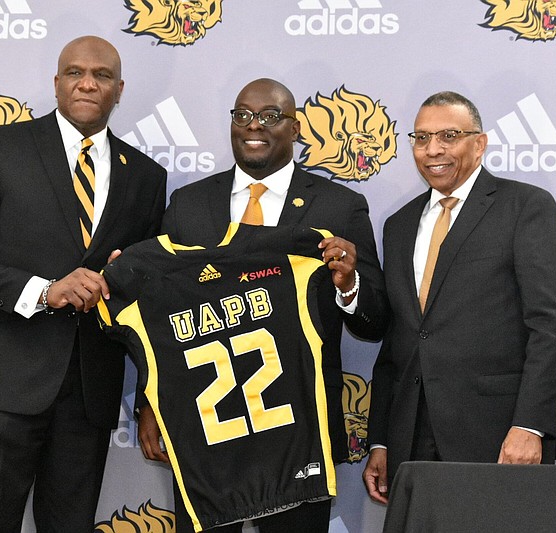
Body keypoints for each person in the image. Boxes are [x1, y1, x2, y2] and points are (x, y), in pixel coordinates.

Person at [0, 36, 166, 532]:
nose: (88, 83)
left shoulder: (146, 177)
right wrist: (44, 289)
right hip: (4, 383)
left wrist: (126, 281)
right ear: (56, 83)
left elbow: (147, 301)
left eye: (102, 75)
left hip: (90, 390)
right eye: (75, 72)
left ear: (119, 89)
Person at [136, 77, 389, 532]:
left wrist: (349, 284)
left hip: (301, 433)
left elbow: (374, 323)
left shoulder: (339, 205)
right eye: (242, 115)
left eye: (271, 116)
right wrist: (152, 405)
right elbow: (159, 314)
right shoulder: (188, 205)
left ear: (295, 129)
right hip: (205, 430)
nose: (254, 125)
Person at [363, 91, 556, 504]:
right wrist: (382, 441)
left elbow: (549, 326)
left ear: (479, 143)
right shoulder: (399, 225)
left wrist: (530, 426)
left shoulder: (525, 207)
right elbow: (398, 341)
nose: (433, 149)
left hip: (498, 438)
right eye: (421, 138)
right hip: (411, 442)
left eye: (449, 135)